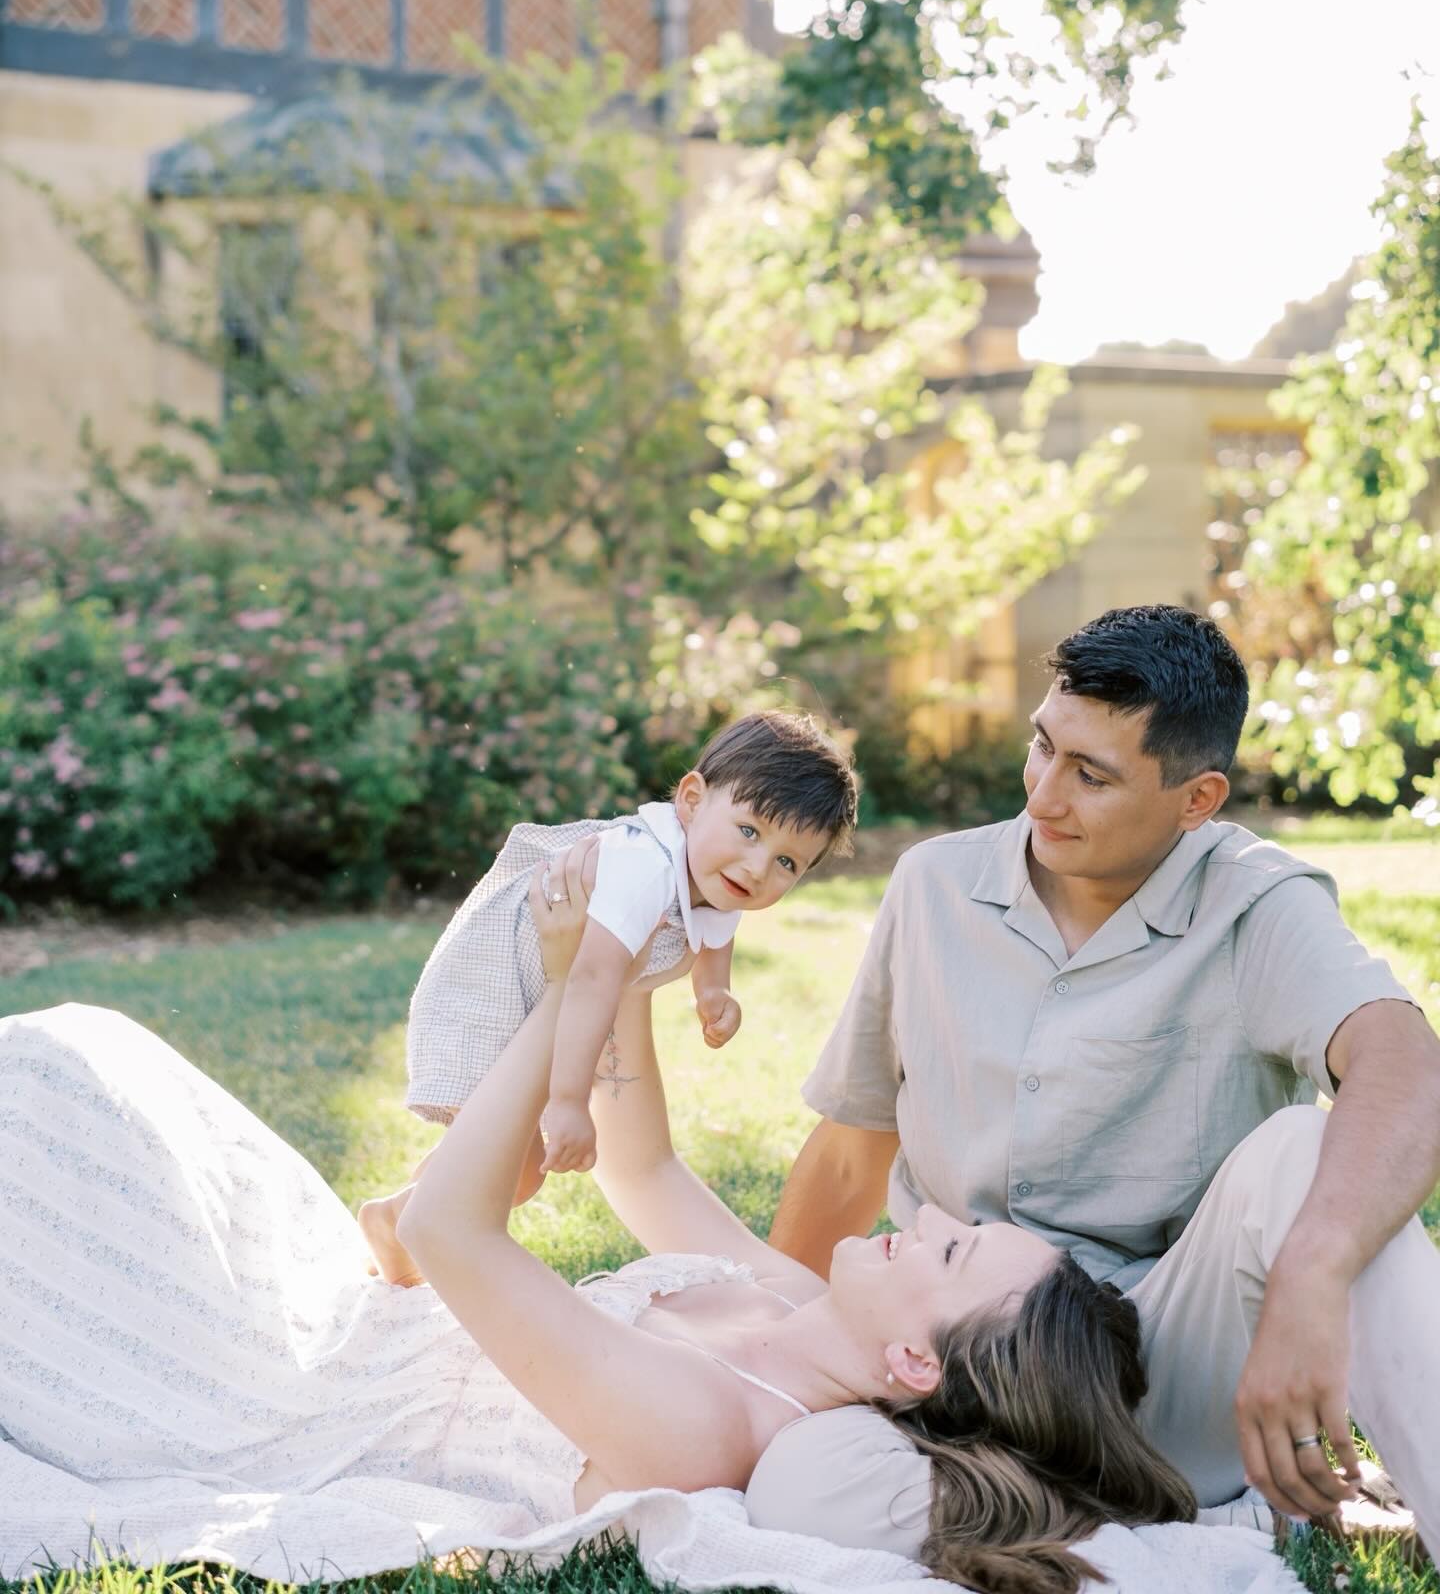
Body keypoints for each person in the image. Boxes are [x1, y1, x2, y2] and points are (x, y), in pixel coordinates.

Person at [0, 855, 1197, 1594]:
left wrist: (569, 989)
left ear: (913, 1364)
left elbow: (458, 1233)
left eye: (945, 1250)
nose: (925, 1213)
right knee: (90, 1059)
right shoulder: (787, 1299)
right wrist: (627, 958)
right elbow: (642, 1166)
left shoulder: (706, 1427)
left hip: (268, 1391)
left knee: (47, 1086)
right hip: (342, 1305)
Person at [746, 604, 1440, 1557]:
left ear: (1196, 801)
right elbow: (850, 1154)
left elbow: (1408, 1065)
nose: (1042, 797)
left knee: (1306, 1150)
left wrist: (1312, 1276)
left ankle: (1136, 1491)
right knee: (803, 1492)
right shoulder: (933, 886)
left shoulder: (1258, 904)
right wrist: (769, 1352)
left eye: (1092, 777)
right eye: (1043, 748)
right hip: (956, 1362)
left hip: (1157, 1368)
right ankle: (1177, 1515)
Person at [392, 708, 856, 1227]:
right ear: (692, 800)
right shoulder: (644, 869)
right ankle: (405, 1224)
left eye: (787, 863)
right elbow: (589, 981)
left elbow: (717, 931)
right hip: (488, 993)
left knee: (513, 1172)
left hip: (539, 1010)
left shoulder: (719, 879)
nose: (757, 868)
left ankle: (396, 1220)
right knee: (510, 1171)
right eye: (749, 831)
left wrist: (714, 992)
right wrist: (568, 1103)